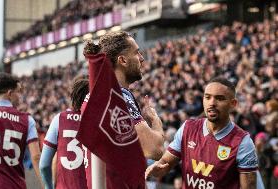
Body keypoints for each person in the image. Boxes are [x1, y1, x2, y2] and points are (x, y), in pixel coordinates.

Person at [145, 77, 261, 189]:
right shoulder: (188, 128)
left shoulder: (243, 142)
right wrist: (157, 168)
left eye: (219, 98)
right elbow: (165, 163)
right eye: (207, 97)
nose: (212, 103)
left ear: (233, 104)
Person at [83, 31, 165, 160]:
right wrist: (155, 121)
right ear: (123, 60)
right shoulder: (118, 96)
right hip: (115, 180)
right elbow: (155, 150)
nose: (142, 58)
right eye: (136, 52)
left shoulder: (98, 93)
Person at [0, 72, 43, 189]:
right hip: (14, 185)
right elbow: (36, 157)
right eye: (18, 92)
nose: (20, 96)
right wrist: (46, 185)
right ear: (9, 93)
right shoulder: (27, 119)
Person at [39, 77, 89, 189]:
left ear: (73, 97)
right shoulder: (99, 122)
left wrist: (49, 187)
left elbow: (44, 164)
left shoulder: (59, 119)